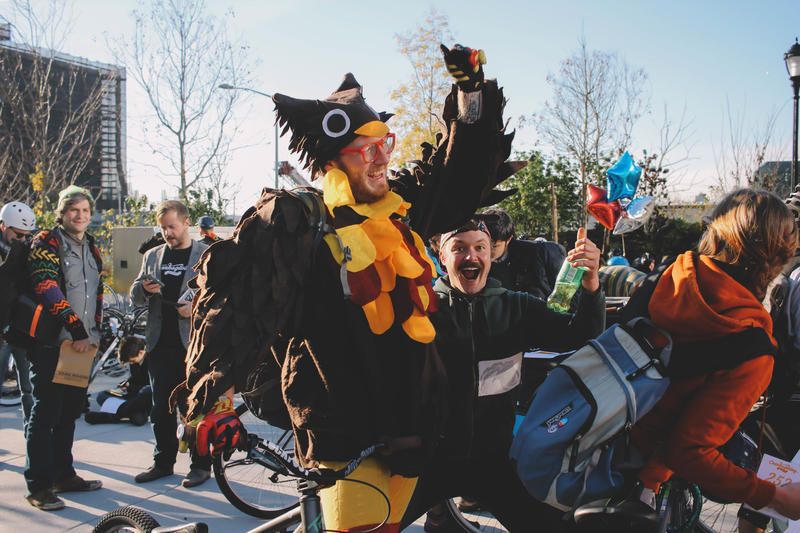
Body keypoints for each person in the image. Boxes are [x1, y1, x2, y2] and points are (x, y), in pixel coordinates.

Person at [183, 44, 526, 532]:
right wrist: (213, 401)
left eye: (385, 143)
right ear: (334, 159)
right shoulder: (300, 220)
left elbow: (457, 177)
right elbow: (236, 306)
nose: (383, 157)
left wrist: (470, 95)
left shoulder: (397, 209)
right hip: (343, 432)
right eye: (369, 149)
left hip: (410, 427)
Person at [409, 221, 605, 532]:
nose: (470, 256)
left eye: (479, 248)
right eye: (459, 248)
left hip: (495, 459)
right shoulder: (418, 309)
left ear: (491, 256)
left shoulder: (516, 306)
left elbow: (581, 335)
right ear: (441, 256)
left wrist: (591, 284)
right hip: (429, 461)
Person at [630, 189, 800, 521]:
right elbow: (689, 453)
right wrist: (777, 498)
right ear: (780, 255)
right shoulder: (751, 345)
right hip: (638, 485)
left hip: (587, 448)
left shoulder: (665, 277)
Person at [24, 185, 104, 511]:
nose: (80, 215)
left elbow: (94, 294)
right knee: (45, 413)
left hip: (81, 347)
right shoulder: (47, 241)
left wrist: (94, 335)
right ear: (62, 212)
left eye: (85, 210)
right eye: (74, 209)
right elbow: (46, 286)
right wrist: (76, 328)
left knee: (69, 412)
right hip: (51, 344)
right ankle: (39, 486)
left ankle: (63, 474)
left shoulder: (92, 247)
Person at [130, 201, 210, 487]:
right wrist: (142, 288)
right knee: (160, 408)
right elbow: (134, 296)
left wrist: (195, 306)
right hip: (159, 343)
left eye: (172, 227)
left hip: (193, 346)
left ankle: (201, 465)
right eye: (163, 228)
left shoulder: (205, 254)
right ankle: (163, 462)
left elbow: (221, 297)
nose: (167, 233)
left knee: (194, 407)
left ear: (186, 222)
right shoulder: (152, 255)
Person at [0, 201, 35, 419]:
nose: (22, 240)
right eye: (19, 235)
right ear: (3, 226)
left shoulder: (25, 250)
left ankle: (34, 446)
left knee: (29, 389)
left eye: (26, 235)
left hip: (21, 328)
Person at [483, 208, 566, 300]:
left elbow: (565, 295)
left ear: (509, 240)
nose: (486, 252)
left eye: (494, 247)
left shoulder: (540, 253)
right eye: (481, 246)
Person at [84, 335, 151, 426]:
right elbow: (135, 380)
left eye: (132, 361)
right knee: (101, 396)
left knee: (147, 392)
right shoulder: (134, 358)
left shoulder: (153, 360)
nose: (131, 363)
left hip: (145, 398)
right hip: (134, 399)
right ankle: (126, 412)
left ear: (141, 353)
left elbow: (149, 385)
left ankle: (109, 416)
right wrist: (126, 384)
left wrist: (131, 387)